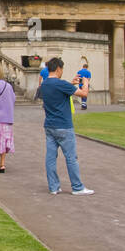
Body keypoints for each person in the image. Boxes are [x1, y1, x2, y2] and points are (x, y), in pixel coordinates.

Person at [36, 57, 93, 194]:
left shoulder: (44, 85)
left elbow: (56, 92)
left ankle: (54, 187)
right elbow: (83, 93)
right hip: (64, 125)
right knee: (71, 157)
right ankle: (77, 187)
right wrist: (85, 82)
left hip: (49, 125)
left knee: (50, 158)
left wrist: (70, 84)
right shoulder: (61, 84)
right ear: (58, 69)